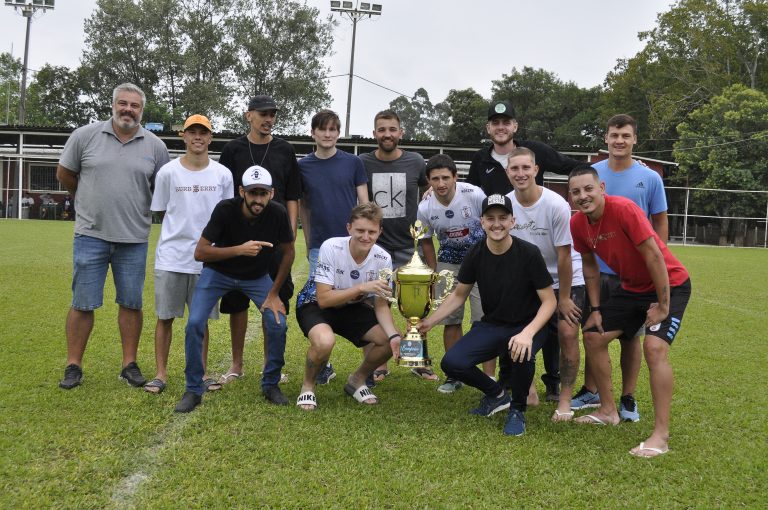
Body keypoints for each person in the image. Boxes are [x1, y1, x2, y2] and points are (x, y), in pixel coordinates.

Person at [568, 166, 691, 457]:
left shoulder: (624, 209)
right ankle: (608, 410)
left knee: (654, 348)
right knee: (593, 335)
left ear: (602, 188)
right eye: (576, 192)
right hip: (632, 288)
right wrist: (596, 309)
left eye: (588, 189)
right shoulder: (577, 223)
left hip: (670, 284)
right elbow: (589, 266)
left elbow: (655, 256)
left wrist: (663, 305)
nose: (583, 196)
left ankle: (661, 436)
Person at [56, 82, 170, 390]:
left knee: (131, 303)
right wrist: (85, 199)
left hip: (134, 239)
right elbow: (65, 173)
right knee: (83, 303)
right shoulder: (85, 135)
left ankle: (129, 364)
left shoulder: (155, 146)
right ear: (113, 105)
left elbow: (162, 188)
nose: (128, 110)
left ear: (141, 110)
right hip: (90, 235)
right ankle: (73, 365)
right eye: (123, 103)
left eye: (134, 105)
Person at [466, 100, 582, 391]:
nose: (520, 173)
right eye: (495, 122)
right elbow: (467, 191)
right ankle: (513, 383)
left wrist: (614, 164)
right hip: (519, 268)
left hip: (555, 272)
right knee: (512, 323)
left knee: (560, 331)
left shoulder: (552, 197)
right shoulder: (483, 163)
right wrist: (433, 189)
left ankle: (555, 384)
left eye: (506, 122)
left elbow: (571, 166)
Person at [418, 194, 556, 436]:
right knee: (452, 362)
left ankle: (518, 410)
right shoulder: (476, 252)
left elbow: (549, 301)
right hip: (493, 324)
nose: (497, 224)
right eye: (490, 218)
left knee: (522, 353)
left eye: (503, 218)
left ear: (512, 221)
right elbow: (459, 295)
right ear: (481, 222)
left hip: (528, 325)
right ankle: (497, 395)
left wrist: (528, 333)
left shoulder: (529, 253)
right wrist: (430, 321)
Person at [571, 114, 669, 423]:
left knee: (630, 337)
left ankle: (628, 397)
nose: (619, 141)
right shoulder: (592, 174)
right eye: (614, 135)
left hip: (635, 275)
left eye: (626, 135)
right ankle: (592, 391)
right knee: (594, 329)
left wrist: (659, 260)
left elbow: (659, 220)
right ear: (606, 138)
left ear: (635, 139)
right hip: (598, 271)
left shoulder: (649, 177)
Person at [175, 166, 295, 412]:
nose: (258, 199)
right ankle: (193, 389)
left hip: (257, 277)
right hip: (218, 274)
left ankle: (270, 383)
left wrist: (274, 293)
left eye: (263, 193)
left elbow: (289, 252)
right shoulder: (225, 209)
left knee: (277, 323)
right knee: (195, 323)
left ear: (271, 194)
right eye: (253, 193)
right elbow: (200, 252)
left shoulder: (278, 213)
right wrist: (239, 250)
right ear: (242, 192)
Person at [145, 114, 233, 395]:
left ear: (210, 137)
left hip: (207, 260)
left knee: (200, 320)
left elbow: (227, 215)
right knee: (165, 317)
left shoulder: (223, 174)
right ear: (183, 136)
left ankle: (202, 372)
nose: (197, 137)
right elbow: (162, 211)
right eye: (192, 132)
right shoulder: (168, 172)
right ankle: (160, 374)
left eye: (203, 132)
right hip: (171, 257)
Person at [217, 95, 301, 385]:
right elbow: (225, 193)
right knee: (236, 301)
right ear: (248, 115)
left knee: (275, 299)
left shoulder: (285, 150)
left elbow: (292, 195)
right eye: (263, 114)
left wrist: (289, 232)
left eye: (272, 114)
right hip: (238, 238)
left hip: (274, 239)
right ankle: (236, 364)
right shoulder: (233, 149)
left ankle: (270, 364)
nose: (268, 119)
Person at [295, 203, 400, 410]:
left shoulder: (383, 258)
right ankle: (308, 386)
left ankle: (357, 380)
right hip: (315, 303)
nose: (366, 237)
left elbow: (381, 306)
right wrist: (361, 287)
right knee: (325, 341)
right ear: (349, 228)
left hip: (351, 305)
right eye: (360, 230)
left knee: (389, 341)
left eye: (372, 232)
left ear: (380, 232)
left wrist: (394, 335)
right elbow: (324, 299)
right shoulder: (331, 247)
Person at [505, 147, 584, 420]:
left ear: (536, 170)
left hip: (564, 277)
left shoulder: (556, 204)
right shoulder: (505, 204)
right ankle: (528, 390)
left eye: (526, 167)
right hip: (529, 281)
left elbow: (564, 255)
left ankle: (565, 400)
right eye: (515, 168)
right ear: (507, 172)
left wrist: (564, 298)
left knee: (568, 333)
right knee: (515, 329)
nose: (521, 173)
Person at [359, 109, 431, 382]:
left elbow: (428, 188)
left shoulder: (416, 161)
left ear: (401, 132)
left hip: (408, 247)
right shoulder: (363, 162)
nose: (387, 134)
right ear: (374, 133)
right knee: (373, 305)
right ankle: (378, 363)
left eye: (392, 129)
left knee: (415, 306)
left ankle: (417, 359)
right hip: (374, 247)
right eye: (381, 129)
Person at [416, 154, 486, 393]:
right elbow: (426, 240)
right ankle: (454, 375)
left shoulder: (474, 194)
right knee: (451, 319)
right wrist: (435, 270)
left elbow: (493, 222)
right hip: (449, 263)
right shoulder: (425, 207)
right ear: (428, 180)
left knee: (483, 321)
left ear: (456, 177)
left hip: (480, 261)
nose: (441, 183)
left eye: (446, 177)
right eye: (435, 179)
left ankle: (488, 376)